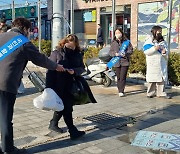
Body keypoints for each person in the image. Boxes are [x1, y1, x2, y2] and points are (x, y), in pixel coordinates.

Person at [0, 17, 65, 154]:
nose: (29, 33)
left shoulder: (1, 36)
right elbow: (40, 59)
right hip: (5, 85)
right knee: (5, 119)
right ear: (24, 28)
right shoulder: (22, 41)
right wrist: (57, 66)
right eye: (29, 30)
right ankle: (8, 150)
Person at [46, 34, 97, 140]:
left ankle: (53, 124)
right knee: (66, 107)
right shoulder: (56, 53)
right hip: (58, 84)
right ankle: (72, 130)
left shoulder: (78, 54)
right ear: (64, 43)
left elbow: (82, 68)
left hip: (71, 84)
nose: (71, 49)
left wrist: (74, 71)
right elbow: (50, 69)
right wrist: (48, 87)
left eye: (73, 47)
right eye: (68, 47)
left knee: (64, 105)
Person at [143, 26, 171, 99]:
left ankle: (161, 93)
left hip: (161, 62)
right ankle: (150, 93)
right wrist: (154, 48)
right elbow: (146, 52)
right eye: (158, 31)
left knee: (161, 79)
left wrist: (164, 52)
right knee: (152, 79)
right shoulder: (149, 41)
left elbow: (166, 52)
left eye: (161, 32)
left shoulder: (163, 42)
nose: (160, 33)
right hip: (153, 63)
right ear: (154, 32)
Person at [109, 28, 133, 97]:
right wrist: (115, 54)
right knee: (118, 77)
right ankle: (119, 89)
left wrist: (125, 53)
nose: (117, 34)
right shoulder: (113, 42)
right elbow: (110, 52)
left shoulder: (126, 42)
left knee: (122, 77)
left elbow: (131, 50)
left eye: (118, 32)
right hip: (116, 62)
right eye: (116, 33)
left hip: (124, 62)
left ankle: (121, 90)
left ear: (122, 33)